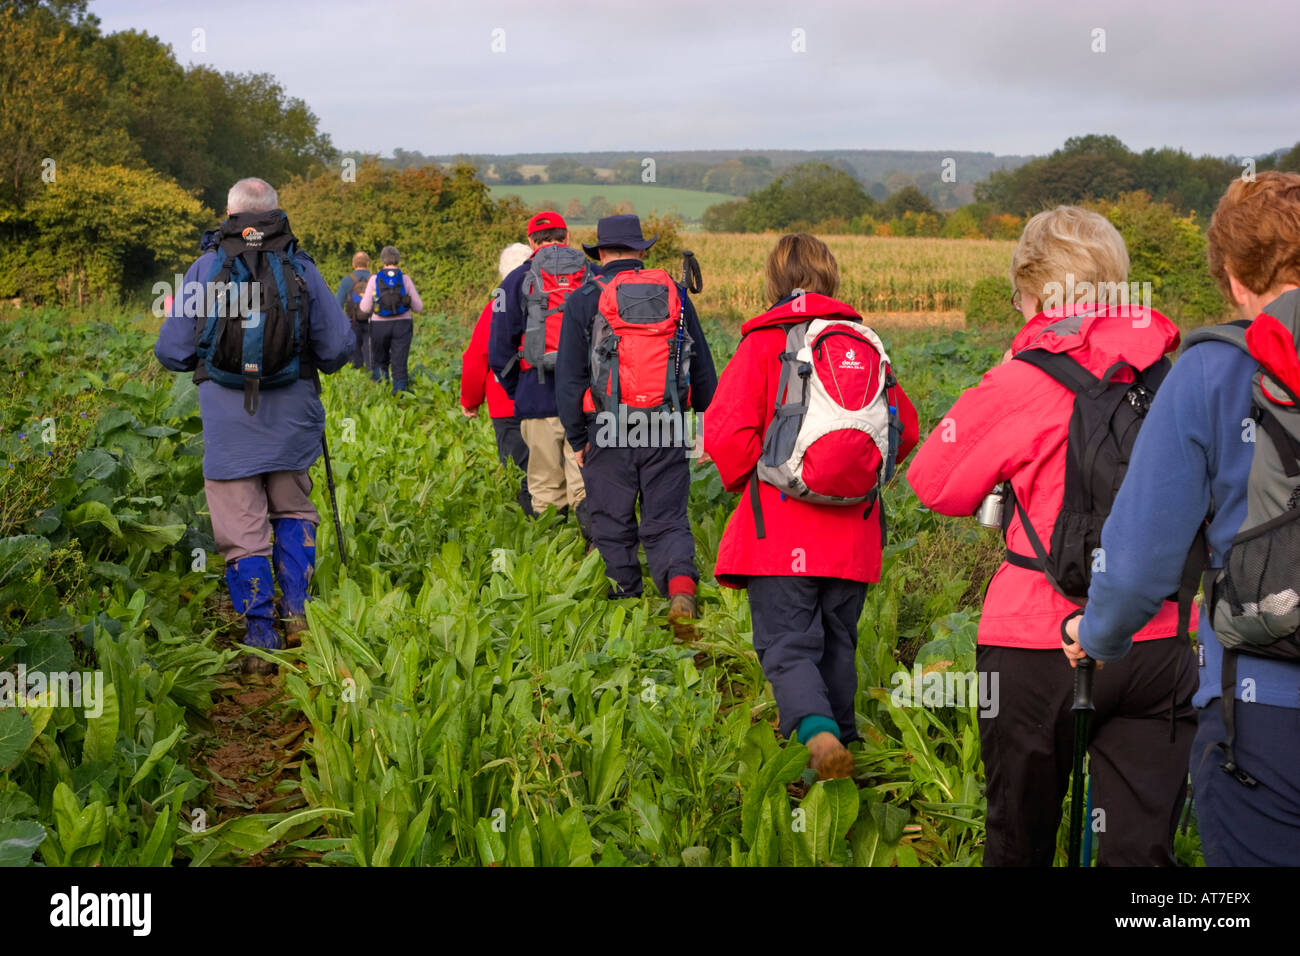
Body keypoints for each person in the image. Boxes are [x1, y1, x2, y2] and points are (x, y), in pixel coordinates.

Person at [907, 206, 1194, 866]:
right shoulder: (1171, 376)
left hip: (1037, 642)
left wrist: (1004, 376)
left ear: (1034, 289)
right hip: (1156, 642)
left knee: (1019, 840)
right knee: (1141, 854)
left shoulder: (1021, 377)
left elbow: (933, 482)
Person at [1064, 172, 1300, 866]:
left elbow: (1137, 565)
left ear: (1233, 277)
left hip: (1263, 706)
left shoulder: (1212, 372)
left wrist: (1098, 634)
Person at [703, 233, 919, 778]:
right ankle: (838, 763)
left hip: (779, 529)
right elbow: (906, 427)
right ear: (832, 278)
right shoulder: (865, 343)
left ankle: (819, 740)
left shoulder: (763, 343)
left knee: (786, 646)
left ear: (774, 281)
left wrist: (754, 478)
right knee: (836, 648)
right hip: (854, 535)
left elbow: (726, 433)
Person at [154, 177, 354, 675]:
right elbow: (337, 350)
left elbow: (171, 351)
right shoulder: (301, 265)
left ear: (229, 212)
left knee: (242, 532)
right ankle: (299, 615)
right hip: (293, 421)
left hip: (229, 427)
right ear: (275, 212)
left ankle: (260, 638)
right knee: (293, 510)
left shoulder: (204, 268)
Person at [554, 214, 718, 628]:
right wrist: (704, 429)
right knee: (668, 520)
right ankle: (680, 590)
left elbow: (570, 378)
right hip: (666, 426)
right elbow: (702, 370)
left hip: (607, 430)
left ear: (601, 252)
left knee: (612, 520)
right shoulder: (674, 295)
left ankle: (625, 610)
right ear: (642, 251)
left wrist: (577, 438)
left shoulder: (583, 299)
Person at [489, 211, 590, 531]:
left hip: (537, 395)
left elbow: (499, 350)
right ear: (568, 237)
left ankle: (552, 562)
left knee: (545, 487)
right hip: (588, 400)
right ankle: (595, 553)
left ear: (531, 241)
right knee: (586, 485)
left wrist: (518, 390)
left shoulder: (514, 281)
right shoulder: (595, 275)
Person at [462, 242, 533, 514]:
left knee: (519, 469)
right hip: (549, 398)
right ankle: (557, 527)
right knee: (551, 467)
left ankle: (531, 529)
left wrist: (470, 400)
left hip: (506, 402)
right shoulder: (553, 303)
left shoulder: (496, 307)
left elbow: (477, 358)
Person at [358, 245, 422, 393]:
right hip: (403, 325)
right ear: (397, 259)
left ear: (382, 260)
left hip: (379, 325)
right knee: (399, 363)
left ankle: (382, 394)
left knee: (380, 361)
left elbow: (365, 307)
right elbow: (418, 307)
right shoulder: (405, 278)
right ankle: (400, 397)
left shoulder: (374, 279)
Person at [336, 251, 372, 370]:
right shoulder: (375, 279)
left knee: (354, 352)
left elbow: (338, 304)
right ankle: (374, 379)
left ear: (353, 264)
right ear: (368, 264)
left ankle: (357, 376)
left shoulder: (347, 280)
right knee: (371, 352)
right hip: (373, 321)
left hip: (353, 321)